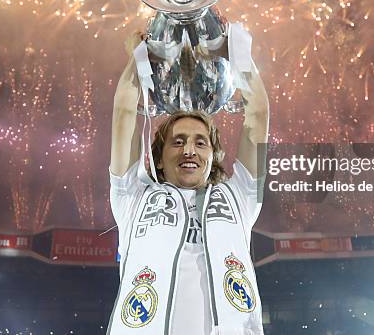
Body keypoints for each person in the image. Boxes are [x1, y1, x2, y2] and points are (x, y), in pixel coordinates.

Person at [107, 31, 269, 335]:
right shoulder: (133, 197)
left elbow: (257, 114)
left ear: (213, 155)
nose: (189, 150)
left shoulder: (240, 197)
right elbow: (124, 113)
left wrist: (235, 52)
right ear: (158, 157)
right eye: (177, 142)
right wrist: (138, 58)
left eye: (200, 143)